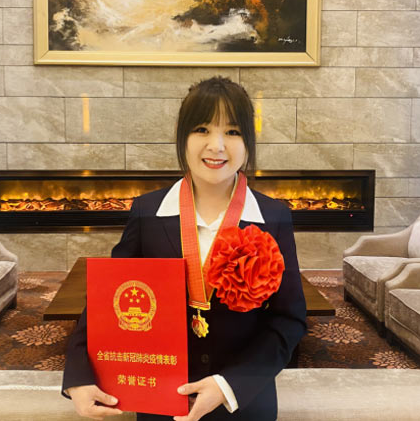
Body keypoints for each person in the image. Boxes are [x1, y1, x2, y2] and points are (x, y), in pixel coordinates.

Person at [62, 76, 307, 421]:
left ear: (248, 142)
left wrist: (229, 385)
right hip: (160, 400)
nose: (216, 146)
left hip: (242, 402)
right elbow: (106, 302)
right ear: (183, 136)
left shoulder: (273, 217)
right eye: (202, 129)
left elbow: (289, 319)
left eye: (232, 132)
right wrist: (79, 375)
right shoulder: (147, 212)